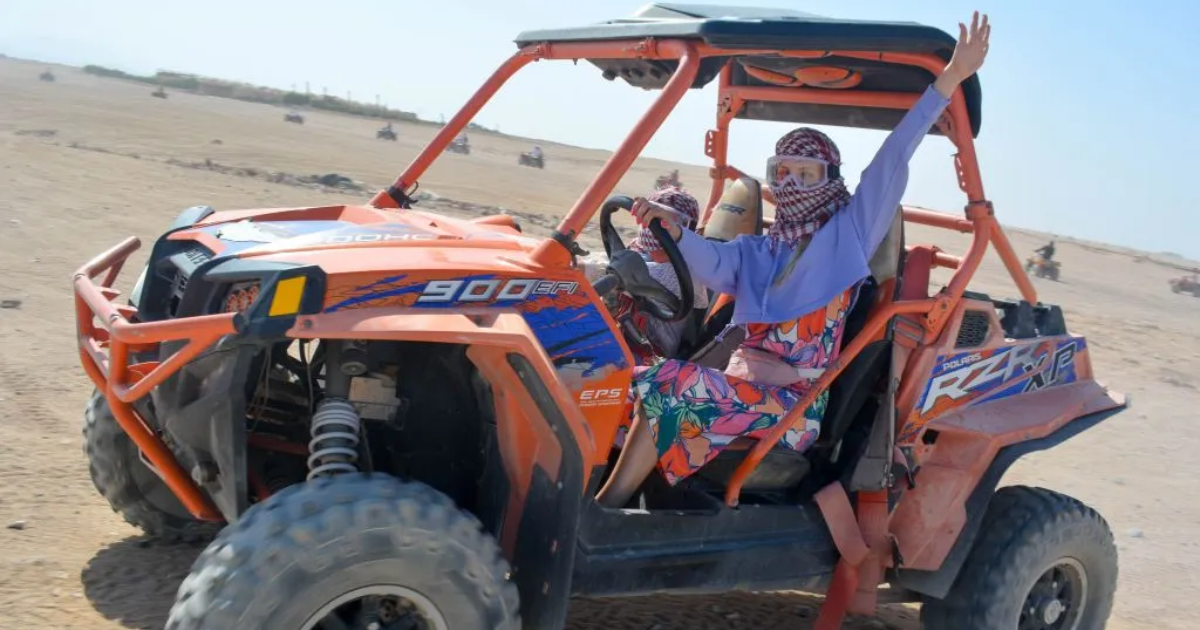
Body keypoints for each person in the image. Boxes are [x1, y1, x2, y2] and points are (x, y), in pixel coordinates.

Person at [595, 11, 991, 507]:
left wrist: (947, 82)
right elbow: (710, 262)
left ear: (830, 177)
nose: (793, 185)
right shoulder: (761, 250)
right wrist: (672, 229)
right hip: (739, 389)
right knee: (623, 379)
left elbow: (891, 161)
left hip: (791, 409)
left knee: (673, 383)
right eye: (783, 172)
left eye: (808, 174)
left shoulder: (846, 238)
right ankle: (608, 497)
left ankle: (606, 509)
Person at [613, 186, 710, 365]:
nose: (656, 230)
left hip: (649, 356)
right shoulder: (644, 255)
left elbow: (627, 272)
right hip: (621, 337)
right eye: (651, 221)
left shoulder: (686, 274)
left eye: (665, 223)